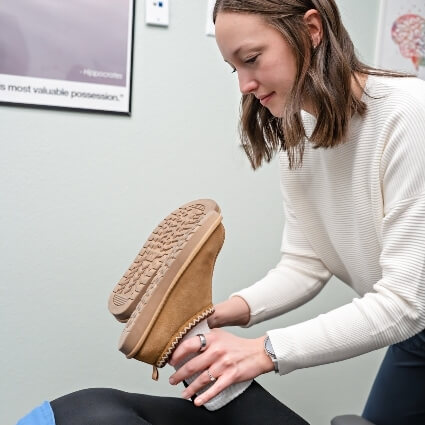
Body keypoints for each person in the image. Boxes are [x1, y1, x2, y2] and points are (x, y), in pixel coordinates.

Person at [16, 0, 425, 424]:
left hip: (412, 315)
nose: (245, 84)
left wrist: (264, 351)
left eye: (252, 59)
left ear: (312, 29)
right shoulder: (298, 136)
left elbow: (407, 301)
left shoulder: (408, 114)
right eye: (235, 69)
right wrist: (221, 313)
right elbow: (307, 263)